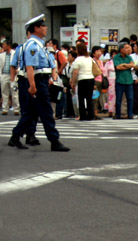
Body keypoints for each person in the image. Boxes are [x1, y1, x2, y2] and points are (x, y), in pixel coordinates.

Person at [8, 14, 69, 151]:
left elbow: (44, 67)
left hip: (40, 80)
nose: (46, 28)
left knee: (31, 112)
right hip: (35, 81)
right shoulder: (33, 46)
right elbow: (30, 67)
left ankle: (15, 136)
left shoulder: (40, 45)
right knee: (46, 111)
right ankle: (54, 141)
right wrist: (33, 86)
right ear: (36, 28)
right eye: (43, 26)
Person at [71, 42, 95, 121]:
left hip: (82, 79)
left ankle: (83, 116)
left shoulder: (78, 59)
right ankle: (91, 115)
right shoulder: (90, 58)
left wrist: (73, 82)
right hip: (91, 79)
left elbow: (75, 72)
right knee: (89, 98)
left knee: (81, 98)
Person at [113, 42, 135, 119]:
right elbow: (118, 67)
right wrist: (127, 66)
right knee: (118, 99)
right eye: (126, 48)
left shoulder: (129, 57)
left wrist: (124, 65)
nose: (128, 49)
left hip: (129, 81)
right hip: (120, 80)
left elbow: (133, 65)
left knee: (130, 98)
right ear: (121, 49)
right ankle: (118, 114)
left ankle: (130, 114)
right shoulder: (116, 57)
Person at [0, 39, 19, 115]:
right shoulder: (1, 55)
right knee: (4, 93)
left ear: (9, 45)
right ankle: (5, 108)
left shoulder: (15, 54)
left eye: (4, 45)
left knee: (15, 92)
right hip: (4, 74)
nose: (3, 46)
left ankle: (16, 109)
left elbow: (18, 63)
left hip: (13, 75)